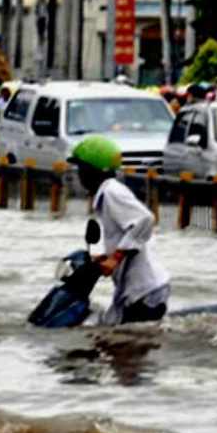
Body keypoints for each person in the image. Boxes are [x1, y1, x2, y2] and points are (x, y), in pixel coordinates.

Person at [68, 136, 171, 325]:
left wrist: (115, 258)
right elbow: (121, 233)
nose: (79, 175)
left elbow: (144, 219)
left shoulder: (111, 192)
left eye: (81, 169)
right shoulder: (104, 196)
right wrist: (99, 260)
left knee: (123, 350)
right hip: (134, 290)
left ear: (93, 170)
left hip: (144, 290)